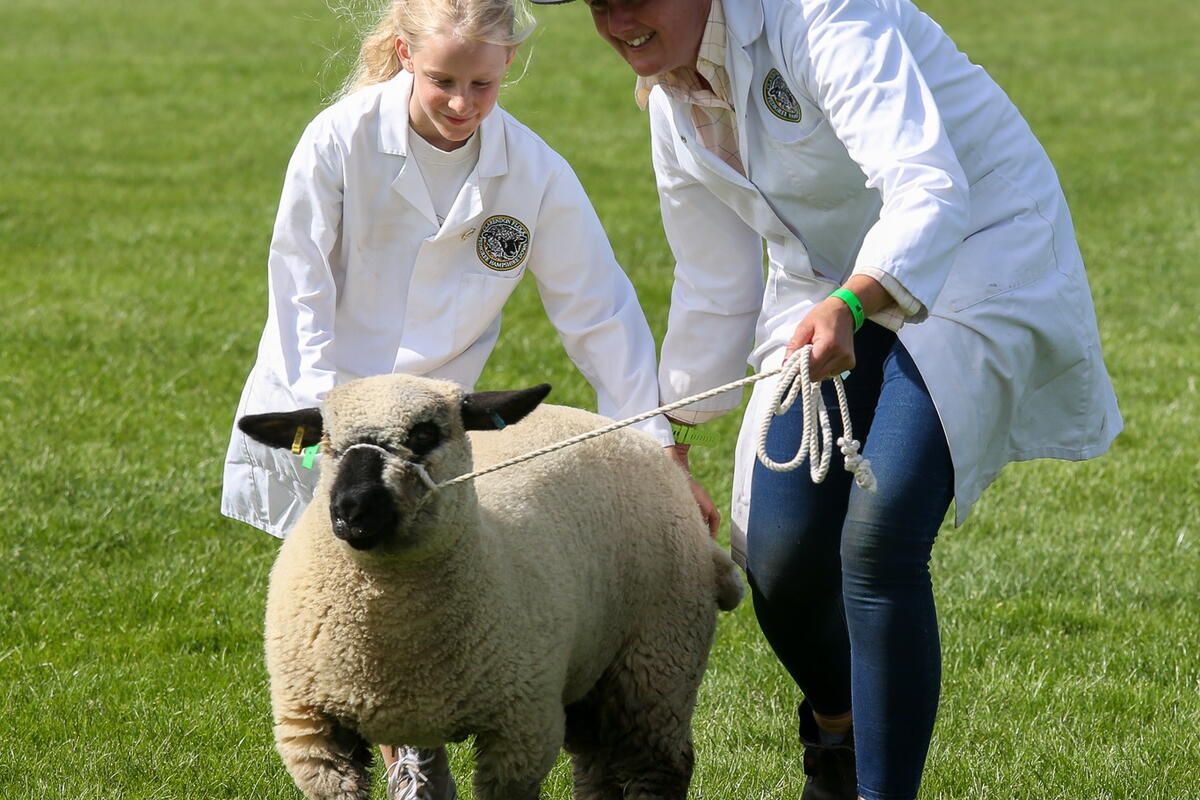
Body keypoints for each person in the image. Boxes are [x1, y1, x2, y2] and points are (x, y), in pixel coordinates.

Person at [529, 0, 1123, 798]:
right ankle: (839, 740)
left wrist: (853, 304)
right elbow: (714, 285)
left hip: (978, 248)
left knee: (880, 536)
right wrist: (664, 434)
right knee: (776, 558)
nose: (618, 18)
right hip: (826, 288)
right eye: (599, 3)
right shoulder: (673, 106)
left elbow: (928, 187)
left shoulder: (822, 13)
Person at [219, 0, 719, 797]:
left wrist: (660, 453)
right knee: (352, 618)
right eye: (444, 80)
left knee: (441, 592)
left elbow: (600, 313)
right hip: (327, 418)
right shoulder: (339, 143)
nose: (462, 103)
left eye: (482, 84)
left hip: (431, 435)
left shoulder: (531, 171)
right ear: (403, 56)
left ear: (508, 67)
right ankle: (411, 757)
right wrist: (325, 432)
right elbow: (299, 287)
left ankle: (418, 752)